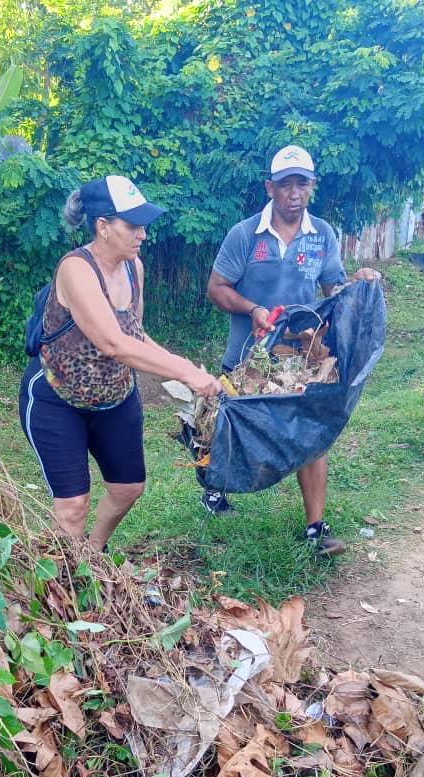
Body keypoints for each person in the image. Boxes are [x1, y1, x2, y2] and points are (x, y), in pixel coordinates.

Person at [19, 174, 223, 549]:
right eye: (133, 225)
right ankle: (63, 585)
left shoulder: (134, 268)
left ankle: (93, 555)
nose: (143, 234)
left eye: (143, 225)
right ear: (103, 227)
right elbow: (113, 343)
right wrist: (187, 373)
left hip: (115, 397)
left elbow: (134, 335)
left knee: (128, 488)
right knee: (73, 505)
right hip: (57, 399)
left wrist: (182, 364)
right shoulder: (76, 269)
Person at [204, 145, 381, 558]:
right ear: (270, 188)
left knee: (312, 437)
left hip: (300, 363)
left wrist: (357, 282)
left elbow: (333, 291)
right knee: (230, 425)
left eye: (302, 183)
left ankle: (315, 528)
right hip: (249, 356)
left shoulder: (322, 235)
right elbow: (216, 288)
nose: (294, 192)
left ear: (312, 187)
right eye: (285, 184)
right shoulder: (245, 234)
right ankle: (215, 489)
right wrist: (252, 309)